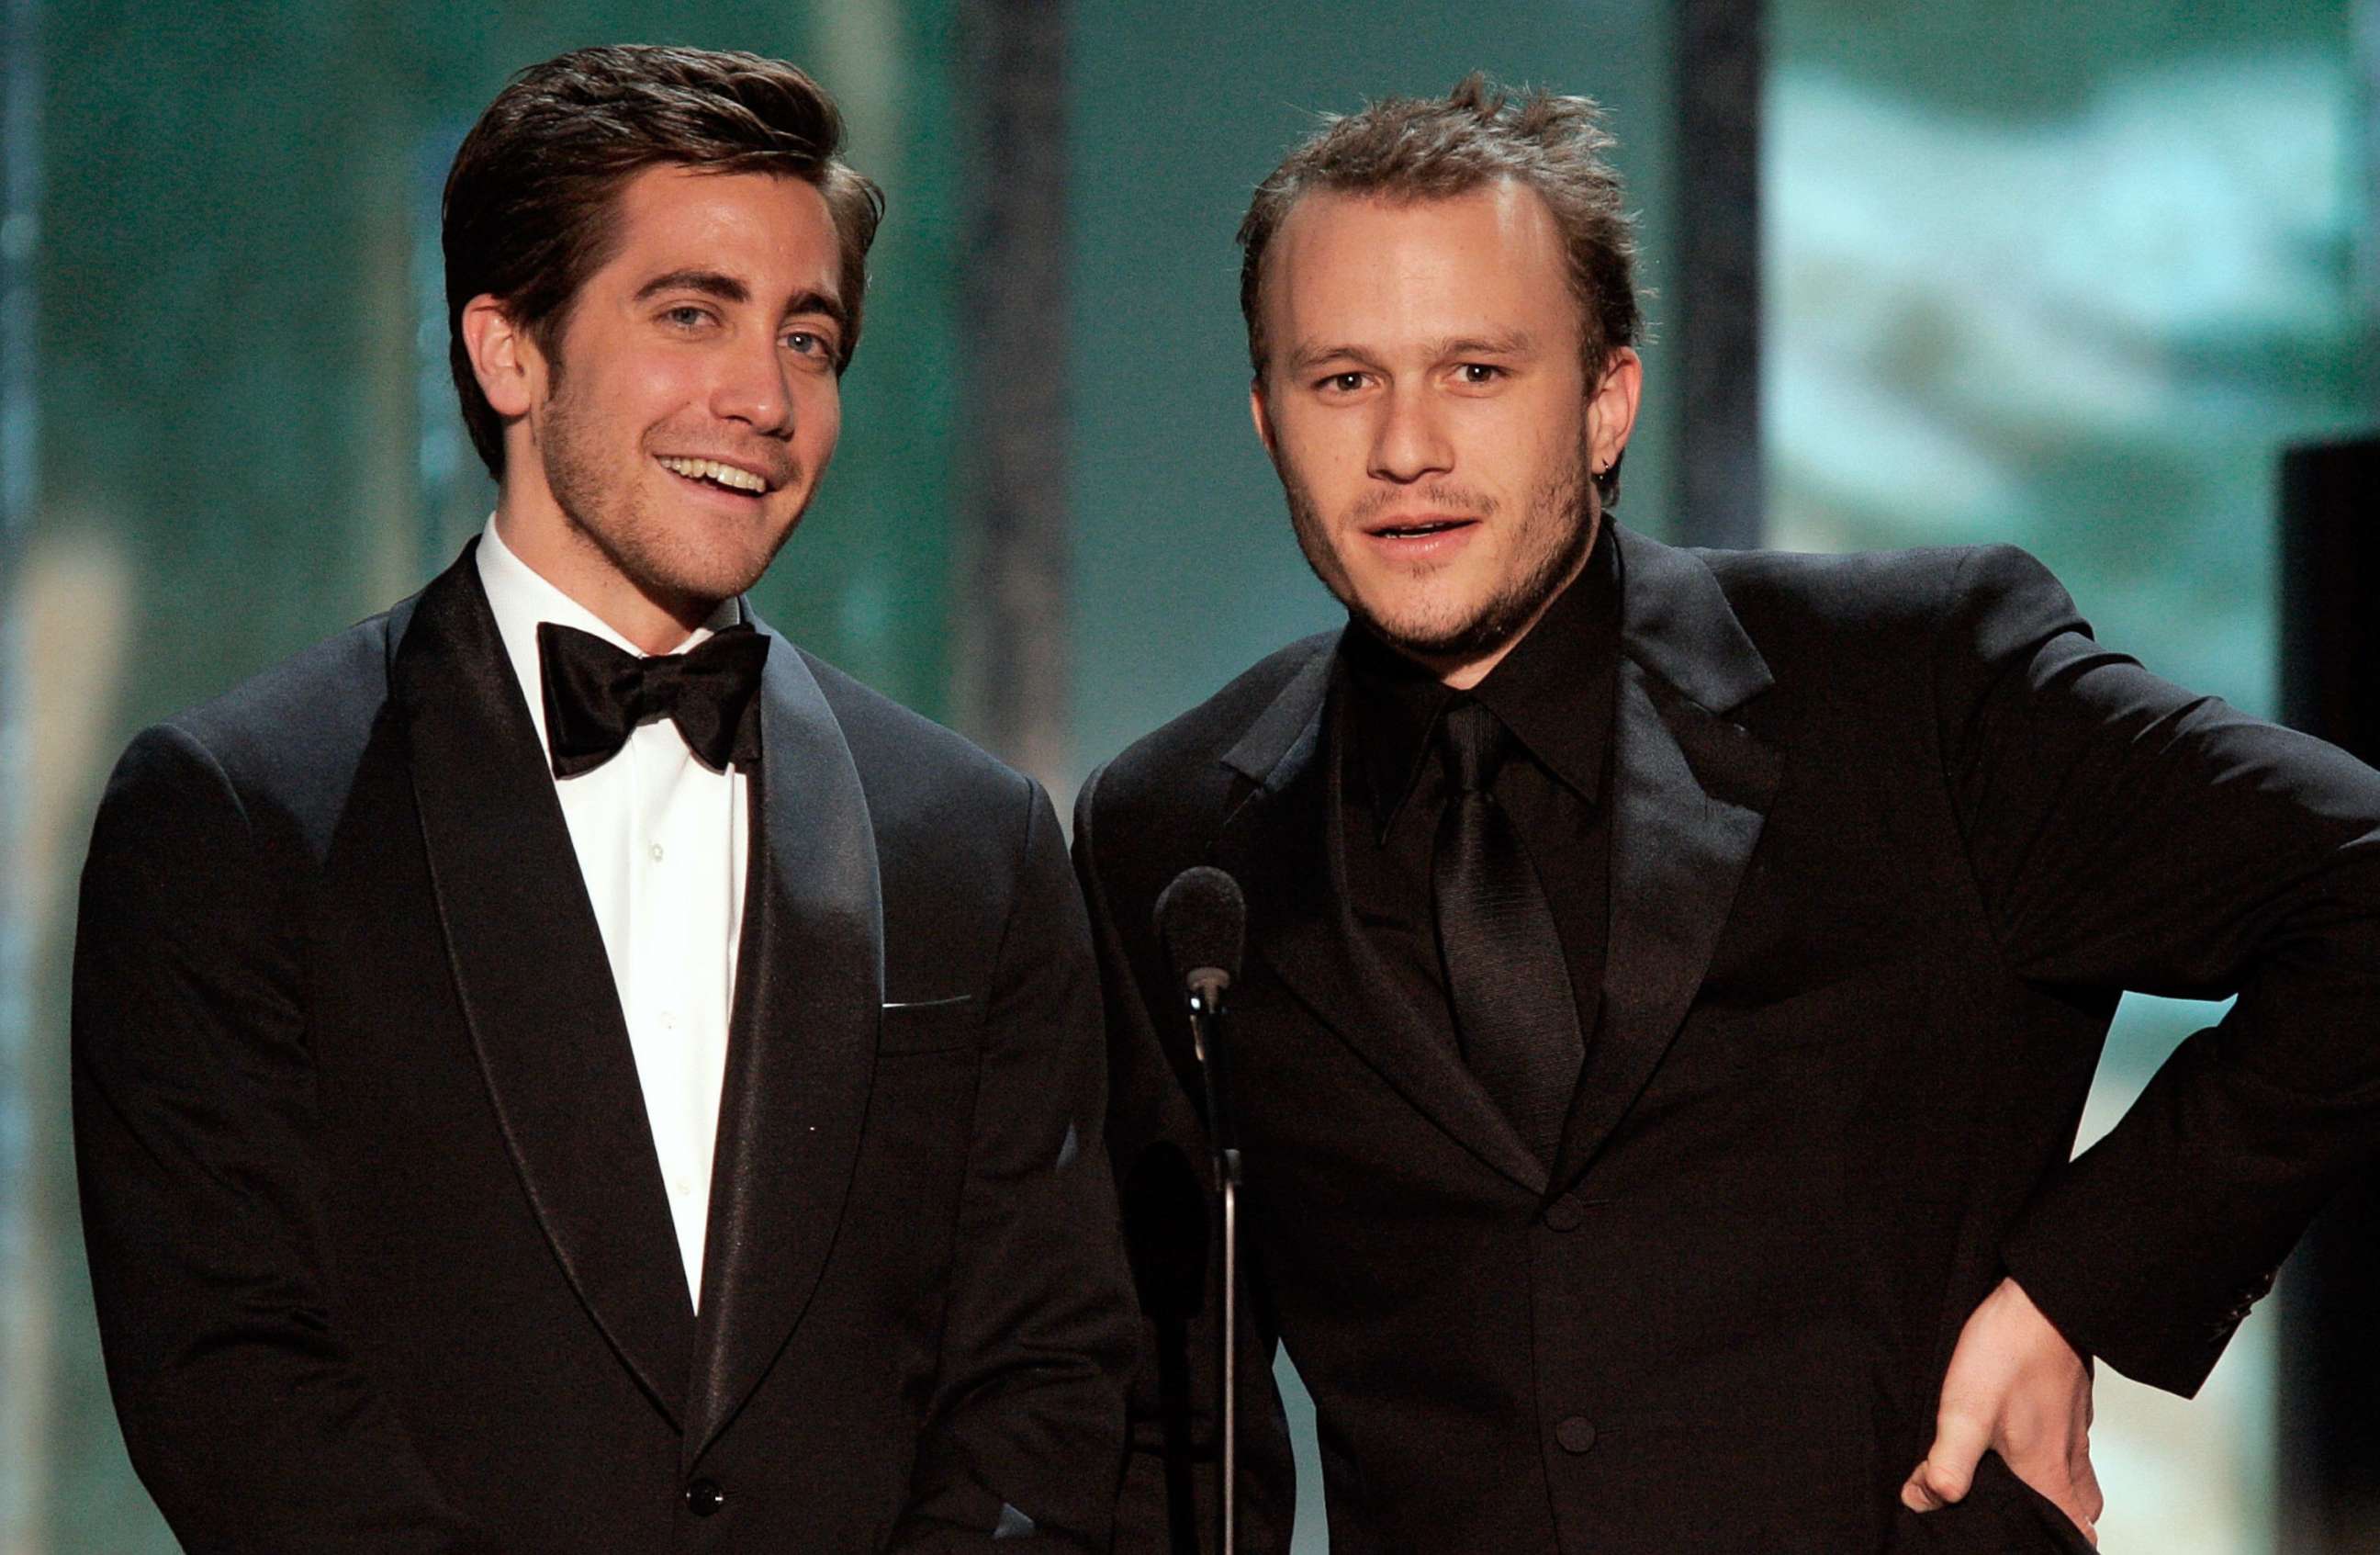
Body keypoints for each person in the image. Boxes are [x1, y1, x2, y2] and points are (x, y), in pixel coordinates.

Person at [1074, 75, 2380, 1553]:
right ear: (1266, 418)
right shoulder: (1175, 836)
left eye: (1478, 372)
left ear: (1609, 396)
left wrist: (2076, 1284)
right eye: (1342, 380)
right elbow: (1175, 1419)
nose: (1405, 449)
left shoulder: (1917, 686)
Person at [73, 44, 1130, 1553]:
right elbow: (230, 1374)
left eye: (810, 338)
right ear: (509, 350)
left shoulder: (974, 838)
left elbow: (1049, 1368)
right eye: (692, 313)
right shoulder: (239, 817)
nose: (763, 395)